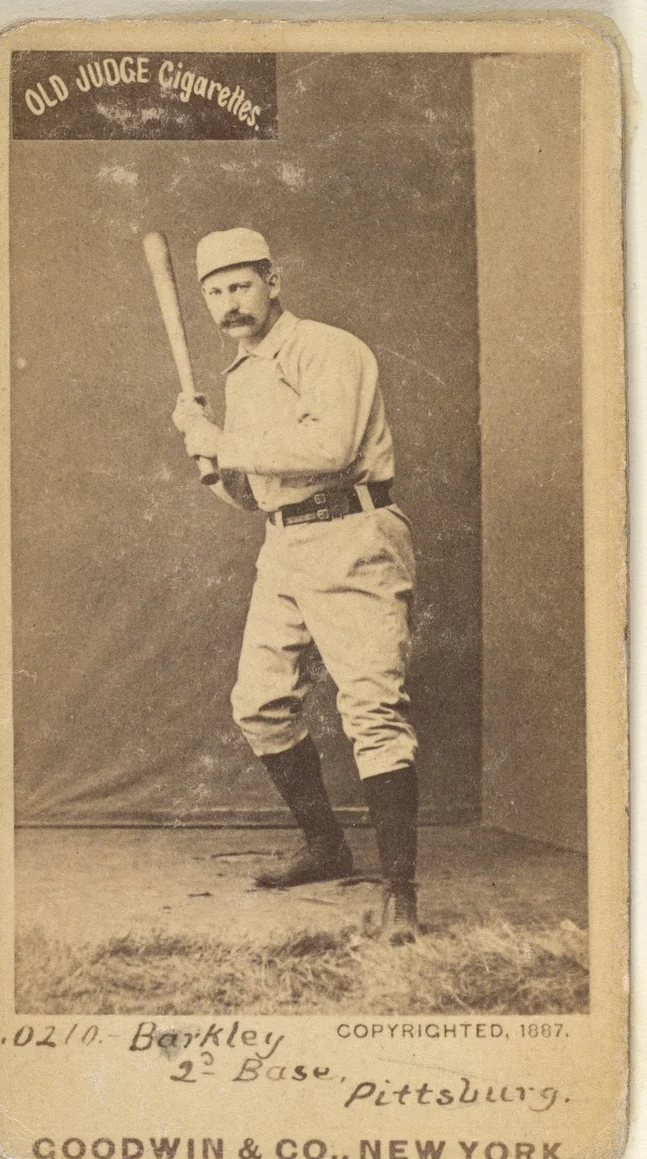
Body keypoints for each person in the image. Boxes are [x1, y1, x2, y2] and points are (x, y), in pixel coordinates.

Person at [173, 227, 420, 942]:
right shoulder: (241, 376)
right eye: (215, 292)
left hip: (353, 535)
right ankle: (326, 846)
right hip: (284, 545)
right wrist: (207, 454)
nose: (229, 302)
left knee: (372, 710)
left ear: (272, 281)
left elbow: (331, 449)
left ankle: (400, 890)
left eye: (241, 285)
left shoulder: (327, 349)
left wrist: (222, 441)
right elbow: (259, 494)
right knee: (260, 704)